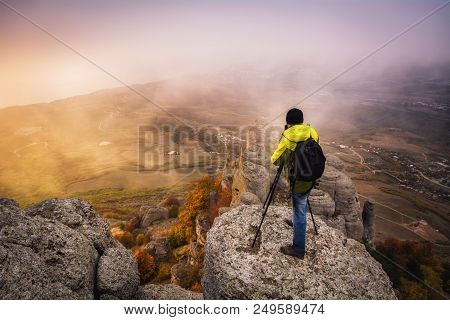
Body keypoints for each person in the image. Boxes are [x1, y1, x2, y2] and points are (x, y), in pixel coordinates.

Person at [270, 108, 319, 259]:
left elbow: (275, 160)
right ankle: (297, 221)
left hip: (298, 179)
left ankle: (298, 249)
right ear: (302, 120)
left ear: (288, 122)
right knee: (301, 201)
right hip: (312, 176)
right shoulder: (312, 132)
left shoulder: (289, 136)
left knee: (299, 209)